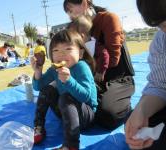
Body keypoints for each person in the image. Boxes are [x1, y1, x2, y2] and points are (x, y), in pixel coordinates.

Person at [64, 0, 135, 129]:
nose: (70, 16)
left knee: (108, 115)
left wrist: (89, 69)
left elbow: (113, 60)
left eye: (71, 10)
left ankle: (124, 104)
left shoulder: (108, 19)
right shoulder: (74, 28)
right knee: (63, 96)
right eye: (67, 12)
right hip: (92, 78)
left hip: (117, 77)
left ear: (85, 4)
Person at [31, 29, 97, 150]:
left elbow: (85, 96)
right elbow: (38, 87)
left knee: (66, 97)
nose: (61, 54)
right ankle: (38, 127)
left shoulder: (81, 67)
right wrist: (38, 71)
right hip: (65, 113)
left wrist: (69, 80)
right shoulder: (54, 69)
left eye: (68, 49)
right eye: (56, 50)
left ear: (80, 53)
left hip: (85, 116)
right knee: (48, 90)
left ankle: (71, 145)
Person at [125, 0, 166, 150]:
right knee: (139, 127)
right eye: (162, 25)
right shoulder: (161, 40)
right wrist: (141, 110)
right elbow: (160, 84)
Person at [68, 15, 109, 82]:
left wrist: (100, 72)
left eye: (73, 37)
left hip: (94, 76)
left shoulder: (95, 45)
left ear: (81, 36)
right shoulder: (79, 45)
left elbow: (104, 56)